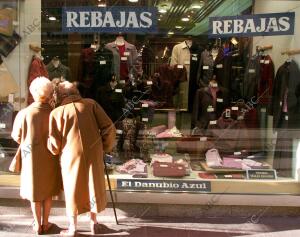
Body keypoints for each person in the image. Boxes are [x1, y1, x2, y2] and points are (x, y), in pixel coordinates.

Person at [47, 81, 116, 235]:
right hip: (93, 153)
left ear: (60, 95)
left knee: (73, 188)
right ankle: (94, 223)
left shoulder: (56, 113)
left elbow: (54, 144)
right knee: (93, 184)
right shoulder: (91, 104)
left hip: (70, 157)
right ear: (75, 91)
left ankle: (73, 227)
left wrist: (54, 149)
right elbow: (109, 128)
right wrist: (104, 147)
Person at [11, 77, 62, 235]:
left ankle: (37, 225)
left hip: (30, 158)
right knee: (47, 192)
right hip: (50, 157)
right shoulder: (55, 113)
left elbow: (16, 136)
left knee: (35, 192)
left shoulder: (24, 113)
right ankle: (46, 223)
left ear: (33, 93)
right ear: (50, 94)